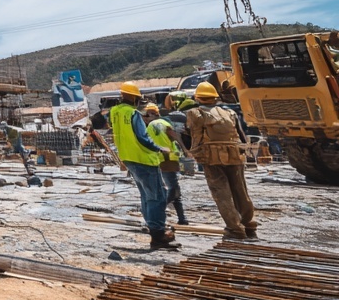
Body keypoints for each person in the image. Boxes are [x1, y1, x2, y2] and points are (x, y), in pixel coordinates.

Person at [109, 83, 179, 252]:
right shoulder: (133, 113)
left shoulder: (115, 112)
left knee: (146, 196)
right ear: (134, 97)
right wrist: (159, 148)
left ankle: (153, 228)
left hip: (128, 158)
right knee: (157, 197)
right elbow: (142, 137)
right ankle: (158, 235)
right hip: (144, 159)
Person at [186, 81, 257, 240]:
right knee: (240, 190)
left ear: (198, 98)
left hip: (212, 158)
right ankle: (249, 226)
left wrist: (195, 154)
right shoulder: (228, 112)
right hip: (235, 155)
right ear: (215, 98)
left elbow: (196, 137)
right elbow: (240, 134)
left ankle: (235, 229)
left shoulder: (196, 113)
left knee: (222, 192)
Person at [143, 103, 189, 226]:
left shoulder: (150, 127)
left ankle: (178, 216)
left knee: (173, 188)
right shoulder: (164, 123)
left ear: (153, 114)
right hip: (169, 159)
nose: (146, 118)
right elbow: (175, 136)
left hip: (160, 159)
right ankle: (174, 215)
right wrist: (184, 149)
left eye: (147, 115)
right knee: (174, 188)